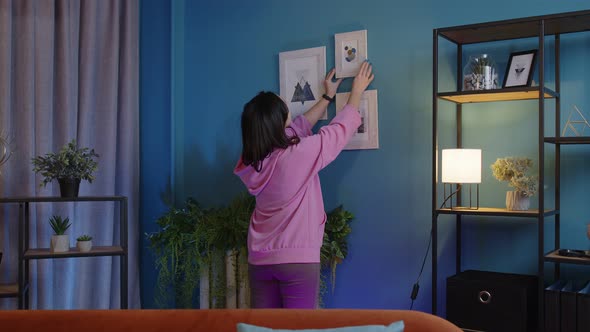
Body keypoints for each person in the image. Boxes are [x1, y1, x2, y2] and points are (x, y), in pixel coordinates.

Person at [234, 61, 375, 308]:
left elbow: (297, 128)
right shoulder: (296, 155)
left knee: (264, 330)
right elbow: (337, 132)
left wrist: (326, 97)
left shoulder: (252, 161)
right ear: (279, 123)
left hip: (260, 259)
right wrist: (357, 92)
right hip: (296, 259)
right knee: (299, 327)